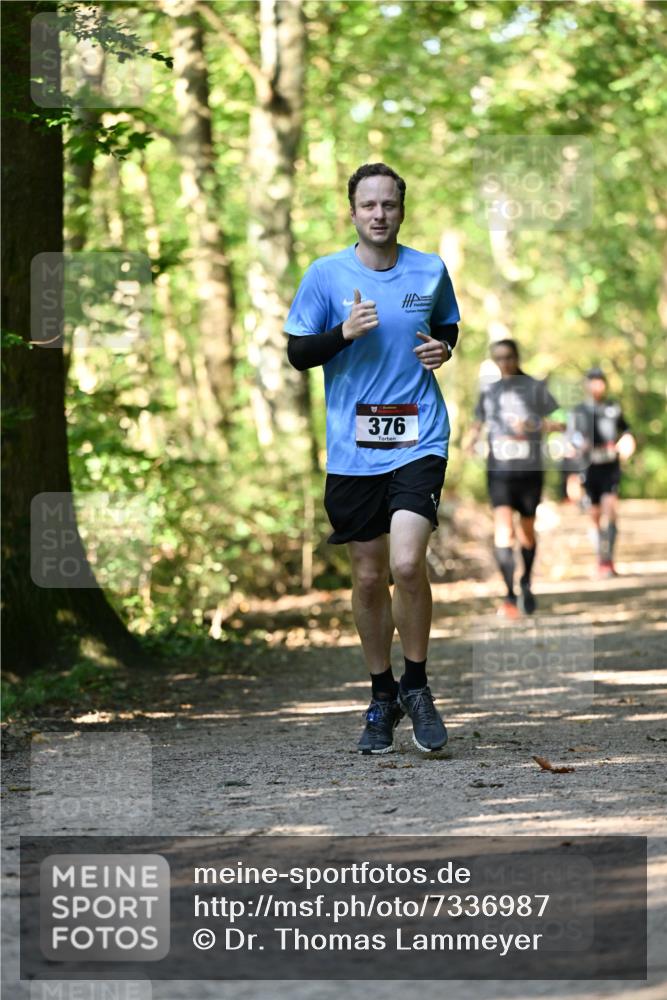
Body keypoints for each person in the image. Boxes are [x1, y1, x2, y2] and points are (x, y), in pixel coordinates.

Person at [285, 162, 460, 755]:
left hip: (420, 438)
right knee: (366, 575)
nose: (379, 214)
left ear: (401, 210)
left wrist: (444, 348)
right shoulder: (325, 274)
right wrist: (343, 334)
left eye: (389, 205)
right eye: (369, 206)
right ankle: (380, 695)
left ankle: (417, 686)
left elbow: (447, 326)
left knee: (406, 566)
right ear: (353, 212)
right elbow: (298, 354)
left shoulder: (430, 268)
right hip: (353, 450)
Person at [467, 340, 564, 618]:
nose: (504, 363)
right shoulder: (489, 391)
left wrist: (535, 424)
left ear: (517, 357)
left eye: (508, 357)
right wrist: (471, 440)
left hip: (530, 471)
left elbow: (562, 421)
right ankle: (509, 594)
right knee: (503, 531)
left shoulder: (535, 387)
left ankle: (526, 582)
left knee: (526, 533)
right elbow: (477, 423)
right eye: (498, 358)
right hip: (499, 470)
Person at [570, 367, 635, 577]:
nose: (596, 385)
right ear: (586, 385)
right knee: (594, 515)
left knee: (611, 509)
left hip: (610, 467)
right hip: (589, 469)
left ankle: (609, 560)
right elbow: (571, 439)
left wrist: (627, 442)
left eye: (600, 381)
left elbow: (627, 431)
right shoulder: (579, 411)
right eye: (592, 381)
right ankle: (601, 558)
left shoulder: (613, 407)